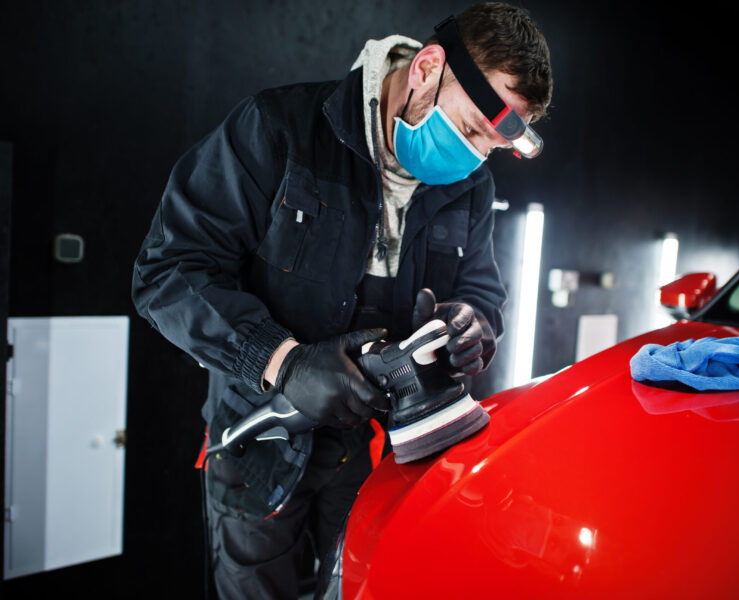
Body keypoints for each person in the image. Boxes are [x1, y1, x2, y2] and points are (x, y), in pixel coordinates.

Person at [131, 2, 552, 598]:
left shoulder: (470, 184)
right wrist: (282, 361)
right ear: (428, 67)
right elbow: (168, 272)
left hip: (381, 460)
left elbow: (480, 288)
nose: (472, 159)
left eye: (489, 147)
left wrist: (475, 323)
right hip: (263, 447)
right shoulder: (278, 129)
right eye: (466, 131)